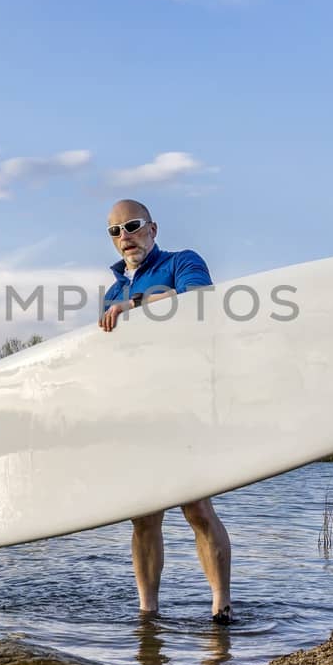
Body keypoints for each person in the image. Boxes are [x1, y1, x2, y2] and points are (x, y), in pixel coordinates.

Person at [98, 198, 234, 625]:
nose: (125, 237)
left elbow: (198, 301)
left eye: (132, 226)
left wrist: (134, 307)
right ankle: (147, 614)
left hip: (185, 405)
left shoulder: (181, 262)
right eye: (115, 231)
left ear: (153, 229)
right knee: (143, 516)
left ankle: (222, 606)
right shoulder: (111, 292)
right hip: (139, 414)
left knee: (195, 507)